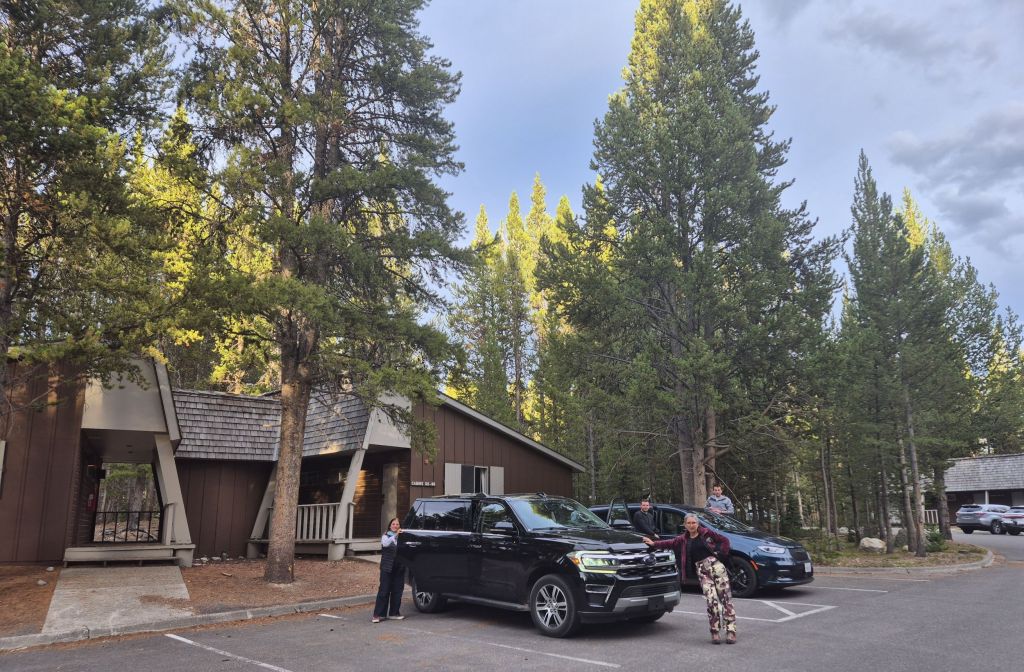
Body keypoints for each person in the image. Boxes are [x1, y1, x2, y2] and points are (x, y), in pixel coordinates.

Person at [643, 514, 737, 644]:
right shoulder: (684, 539)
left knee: (725, 599)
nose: (692, 525)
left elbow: (725, 540)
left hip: (716, 567)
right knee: (711, 601)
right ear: (685, 525)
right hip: (702, 571)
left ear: (698, 524)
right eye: (689, 523)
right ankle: (715, 631)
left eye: (694, 523)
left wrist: (721, 554)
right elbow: (670, 543)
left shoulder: (707, 533)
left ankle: (731, 631)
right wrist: (654, 544)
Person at [372, 517, 406, 623]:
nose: (395, 526)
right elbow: (386, 544)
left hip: (399, 566)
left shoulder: (403, 537)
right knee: (384, 590)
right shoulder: (386, 535)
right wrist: (395, 535)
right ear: (390, 526)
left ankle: (394, 613)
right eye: (393, 524)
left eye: (397, 524)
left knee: (397, 590)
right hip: (387, 566)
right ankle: (378, 614)